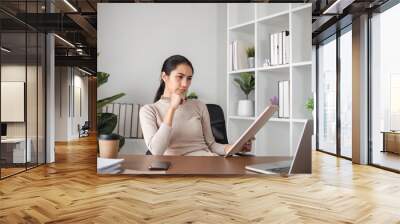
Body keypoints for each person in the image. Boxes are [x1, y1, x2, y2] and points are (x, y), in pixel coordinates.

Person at [139, 55, 253, 156]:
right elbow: (156, 151)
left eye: (189, 78)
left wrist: (234, 148)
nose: (185, 84)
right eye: (179, 77)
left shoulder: (199, 106)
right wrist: (172, 108)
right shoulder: (149, 110)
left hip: (207, 162)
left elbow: (212, 145)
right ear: (165, 77)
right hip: (176, 170)